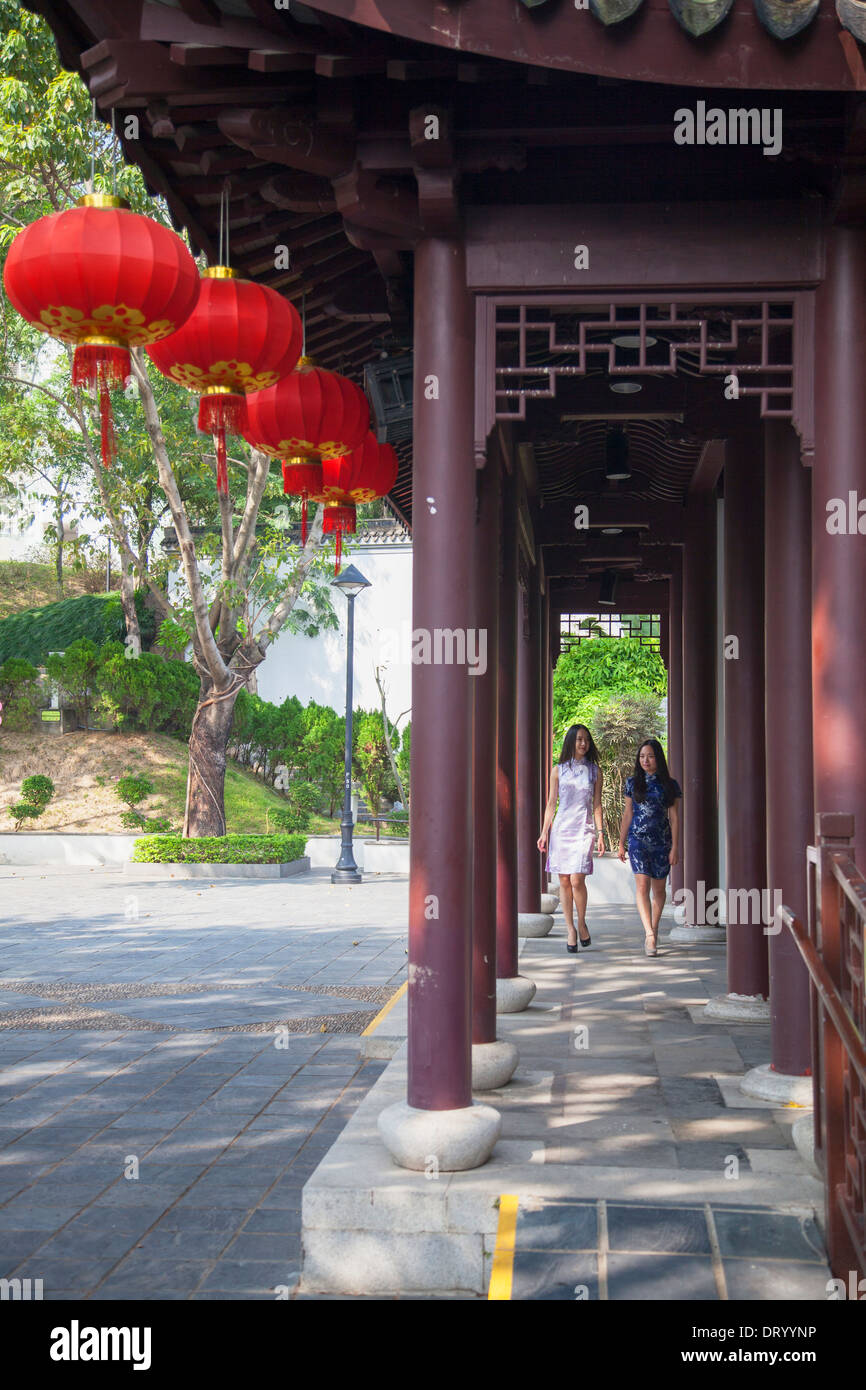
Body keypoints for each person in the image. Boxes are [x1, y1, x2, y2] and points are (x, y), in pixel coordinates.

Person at [538, 724, 605, 954]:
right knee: (564, 881)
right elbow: (551, 804)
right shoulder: (558, 771)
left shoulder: (595, 771)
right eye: (578, 739)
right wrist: (544, 831)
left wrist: (600, 833)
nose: (583, 743)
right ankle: (570, 929)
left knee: (577, 879)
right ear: (570, 742)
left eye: (586, 739)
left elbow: (597, 805)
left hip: (583, 829)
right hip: (561, 830)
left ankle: (582, 921)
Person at [618, 738, 681, 957]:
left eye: (650, 756)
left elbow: (674, 817)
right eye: (642, 756)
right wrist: (621, 843)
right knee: (642, 885)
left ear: (658, 758)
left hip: (662, 842)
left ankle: (653, 927)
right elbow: (628, 814)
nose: (645, 760)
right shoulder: (632, 783)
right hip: (637, 840)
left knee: (659, 890)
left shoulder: (670, 785)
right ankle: (649, 935)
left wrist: (675, 847)